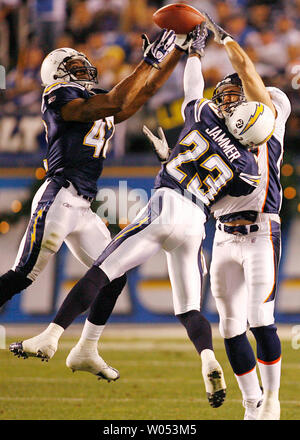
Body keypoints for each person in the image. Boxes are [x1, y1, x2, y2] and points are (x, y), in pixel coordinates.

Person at [11, 23, 261, 409]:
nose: (228, 102)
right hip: (193, 222)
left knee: (105, 270)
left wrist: (189, 53)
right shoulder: (250, 164)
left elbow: (164, 93)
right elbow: (122, 100)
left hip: (162, 203)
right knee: (188, 307)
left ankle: (55, 335)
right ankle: (206, 358)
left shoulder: (204, 115)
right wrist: (165, 55)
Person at [1, 30, 186, 323]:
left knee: (114, 275)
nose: (82, 69)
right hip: (60, 195)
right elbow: (114, 102)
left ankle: (87, 349)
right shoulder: (57, 96)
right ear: (56, 74)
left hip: (83, 205)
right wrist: (147, 61)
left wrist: (176, 51)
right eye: (73, 67)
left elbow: (144, 93)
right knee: (23, 275)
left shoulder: (94, 100)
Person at [202, 13, 291, 420]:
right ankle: (252, 403)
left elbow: (251, 78)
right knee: (229, 326)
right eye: (224, 98)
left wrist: (227, 43)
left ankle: (272, 399)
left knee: (261, 318)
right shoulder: (210, 131)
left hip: (261, 232)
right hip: (221, 235)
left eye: (236, 95)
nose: (229, 102)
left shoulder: (268, 116)